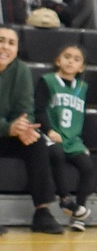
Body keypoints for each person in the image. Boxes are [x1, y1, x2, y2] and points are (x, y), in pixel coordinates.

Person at [0, 24, 64, 233]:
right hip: (5, 129)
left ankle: (42, 212)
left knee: (35, 141)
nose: (5, 47)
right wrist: (9, 127)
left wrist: (23, 127)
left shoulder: (21, 71)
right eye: (1, 40)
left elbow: (25, 110)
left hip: (8, 132)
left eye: (11, 43)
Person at [35, 42, 97, 229]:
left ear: (82, 67)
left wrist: (83, 143)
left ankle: (78, 214)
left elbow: (81, 117)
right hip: (52, 135)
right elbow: (38, 111)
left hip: (73, 139)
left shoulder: (83, 87)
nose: (71, 61)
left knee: (87, 167)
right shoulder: (47, 81)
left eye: (77, 59)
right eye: (67, 57)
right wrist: (49, 130)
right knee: (56, 154)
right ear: (58, 60)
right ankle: (64, 198)